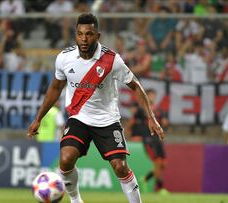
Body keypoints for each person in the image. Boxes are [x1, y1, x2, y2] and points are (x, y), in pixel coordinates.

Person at [27, 13, 164, 203]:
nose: (84, 38)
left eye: (89, 34)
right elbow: (56, 88)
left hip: (107, 120)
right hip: (78, 118)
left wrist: (151, 117)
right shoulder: (65, 58)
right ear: (75, 35)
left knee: (120, 166)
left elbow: (136, 86)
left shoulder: (112, 60)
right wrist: (38, 118)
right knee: (65, 160)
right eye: (80, 34)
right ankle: (76, 200)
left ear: (97, 36)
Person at [127, 89, 169, 194]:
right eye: (149, 95)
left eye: (153, 95)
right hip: (148, 139)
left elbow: (165, 122)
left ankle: (145, 179)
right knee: (158, 162)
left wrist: (164, 123)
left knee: (163, 164)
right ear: (146, 96)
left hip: (158, 139)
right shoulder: (142, 110)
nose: (151, 97)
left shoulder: (160, 110)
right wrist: (128, 135)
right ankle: (160, 188)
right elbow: (132, 122)